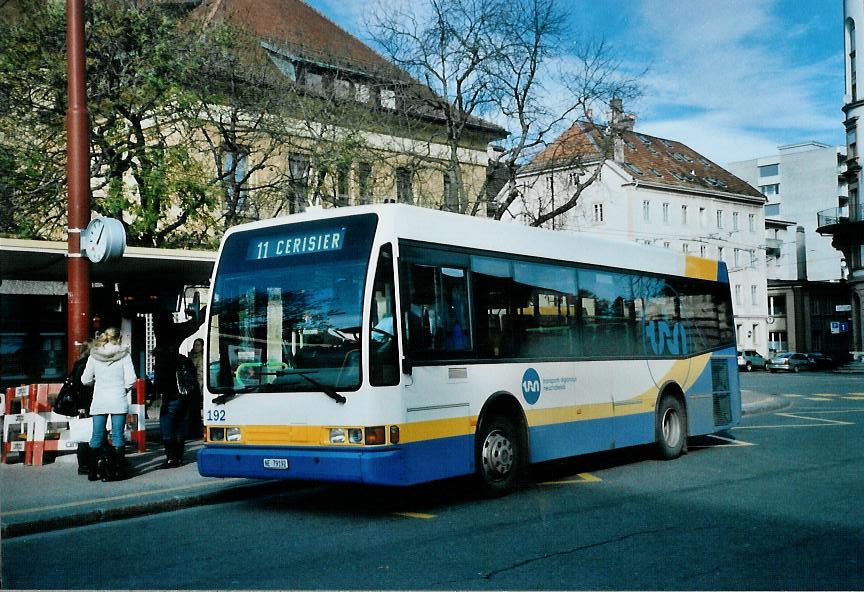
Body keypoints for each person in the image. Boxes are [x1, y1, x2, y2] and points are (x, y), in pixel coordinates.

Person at [80, 328, 136, 482]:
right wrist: (123, 388)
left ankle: (93, 472)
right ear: (118, 338)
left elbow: (85, 379)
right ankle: (117, 471)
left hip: (99, 399)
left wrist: (96, 384)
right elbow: (131, 379)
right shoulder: (124, 355)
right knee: (118, 435)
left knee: (97, 435)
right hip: (118, 398)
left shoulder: (94, 355)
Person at [153, 345, 188, 468]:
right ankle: (179, 457)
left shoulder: (162, 365)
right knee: (179, 427)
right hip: (184, 397)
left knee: (167, 428)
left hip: (170, 398)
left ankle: (171, 458)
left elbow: (159, 385)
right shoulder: (183, 361)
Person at [69, 341, 95, 475]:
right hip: (86, 402)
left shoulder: (79, 363)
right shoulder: (86, 364)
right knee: (87, 434)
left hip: (82, 402)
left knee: (85, 433)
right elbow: (82, 386)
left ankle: (84, 463)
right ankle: (85, 464)